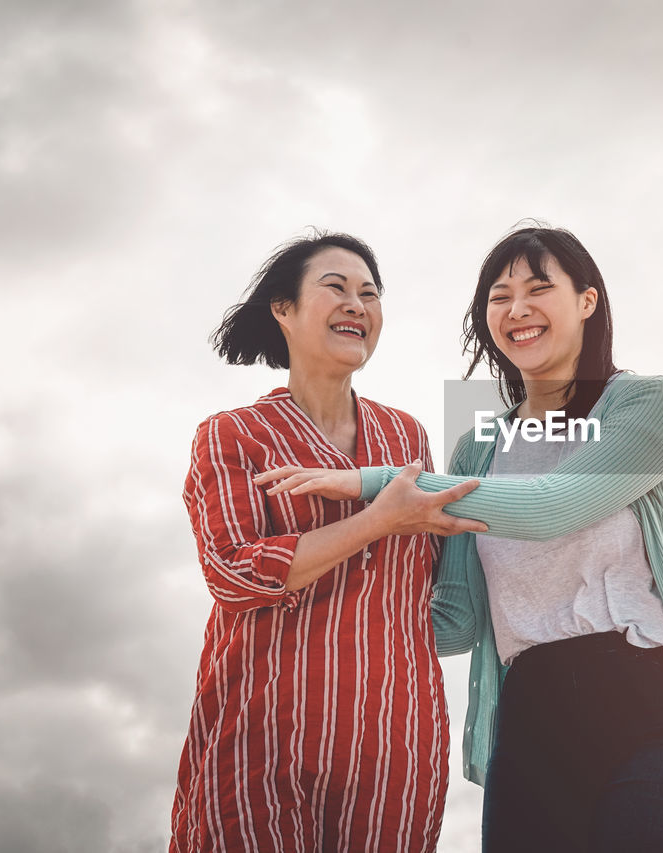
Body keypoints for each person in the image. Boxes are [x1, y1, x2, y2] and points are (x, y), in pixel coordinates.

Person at [258, 226, 663, 853]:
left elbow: (553, 506)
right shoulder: (478, 448)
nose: (517, 310)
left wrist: (373, 484)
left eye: (539, 289)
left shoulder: (649, 405)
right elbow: (456, 619)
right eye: (499, 296)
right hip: (529, 719)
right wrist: (301, 601)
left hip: (650, 707)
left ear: (587, 302)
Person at [171, 232, 486, 853]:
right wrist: (377, 520)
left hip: (397, 737)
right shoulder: (233, 435)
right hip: (264, 735)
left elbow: (431, 588)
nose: (358, 305)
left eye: (370, 294)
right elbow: (235, 573)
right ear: (282, 311)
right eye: (336, 288)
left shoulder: (406, 437)